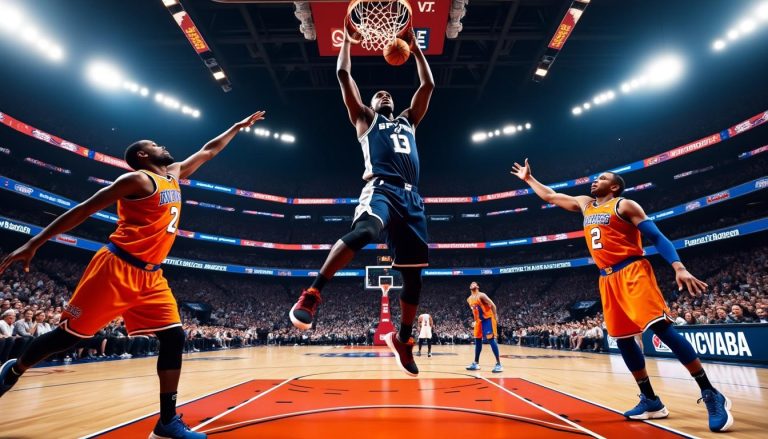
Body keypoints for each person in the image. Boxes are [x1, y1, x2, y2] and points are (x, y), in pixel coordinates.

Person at [0, 111, 265, 439]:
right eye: (154, 144)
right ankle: (15, 368)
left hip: (151, 276)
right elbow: (84, 209)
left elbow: (209, 150)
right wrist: (34, 242)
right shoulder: (138, 180)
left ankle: (166, 421)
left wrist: (237, 127)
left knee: (174, 337)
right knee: (70, 337)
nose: (161, 145)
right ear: (142, 156)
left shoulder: (174, 173)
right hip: (116, 268)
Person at [511, 159, 733, 432]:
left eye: (601, 178)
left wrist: (679, 267)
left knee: (661, 329)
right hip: (607, 278)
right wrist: (529, 180)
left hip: (632, 270)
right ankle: (651, 400)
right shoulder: (585, 204)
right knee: (624, 341)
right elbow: (551, 195)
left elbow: (657, 237)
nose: (594, 180)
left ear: (614, 186)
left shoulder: (624, 205)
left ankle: (711, 392)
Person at [288, 27, 434, 377]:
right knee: (367, 230)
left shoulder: (409, 121)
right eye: (378, 94)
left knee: (413, 279)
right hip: (381, 188)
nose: (383, 94)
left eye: (387, 94)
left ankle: (404, 338)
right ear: (369, 105)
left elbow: (427, 86)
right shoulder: (365, 120)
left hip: (412, 197)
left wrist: (415, 51)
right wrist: (347, 41)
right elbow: (343, 74)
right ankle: (312, 293)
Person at [465, 282, 503, 373]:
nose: (472, 284)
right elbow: (474, 311)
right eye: (471, 283)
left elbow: (493, 305)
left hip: (487, 319)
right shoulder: (469, 299)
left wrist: (495, 316)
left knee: (491, 339)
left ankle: (499, 364)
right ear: (470, 287)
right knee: (477, 340)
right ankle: (476, 363)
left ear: (477, 286)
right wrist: (475, 321)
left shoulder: (482, 295)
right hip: (478, 321)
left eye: (474, 283)